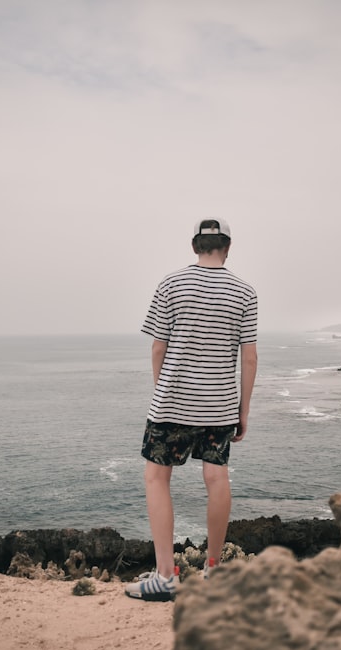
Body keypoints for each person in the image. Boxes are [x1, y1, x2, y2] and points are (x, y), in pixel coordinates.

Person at [125, 218, 258, 602]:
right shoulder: (245, 292)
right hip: (218, 406)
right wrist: (242, 411)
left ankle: (166, 576)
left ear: (195, 246)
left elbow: (157, 347)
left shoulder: (170, 284)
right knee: (217, 480)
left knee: (156, 478)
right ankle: (213, 572)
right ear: (228, 247)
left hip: (172, 402)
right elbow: (249, 359)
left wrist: (162, 392)